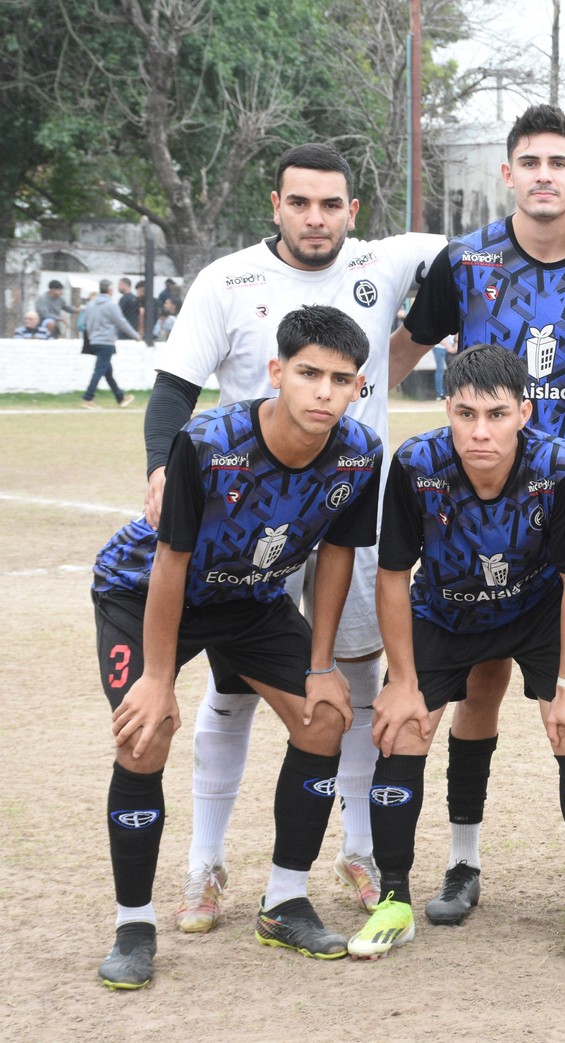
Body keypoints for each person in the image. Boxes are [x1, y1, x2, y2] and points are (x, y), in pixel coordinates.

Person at [141, 143, 447, 934]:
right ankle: (205, 865)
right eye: (300, 202)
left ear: (353, 210)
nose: (317, 217)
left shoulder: (388, 259)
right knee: (235, 688)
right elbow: (174, 389)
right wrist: (159, 467)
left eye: (331, 204)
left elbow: (486, 245)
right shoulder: (229, 280)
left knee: (348, 681)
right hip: (243, 529)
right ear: (275, 204)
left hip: (347, 511)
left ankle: (355, 847)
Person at [392, 103, 565, 916]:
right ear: (506, 175)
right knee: (476, 688)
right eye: (529, 161)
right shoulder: (464, 263)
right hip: (477, 512)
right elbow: (399, 352)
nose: (543, 174)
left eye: (558, 162)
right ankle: (464, 861)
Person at [91, 304, 383, 988]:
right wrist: (158, 678)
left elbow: (337, 556)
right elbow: (170, 561)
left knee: (326, 718)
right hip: (147, 592)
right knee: (144, 733)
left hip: (250, 599)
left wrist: (321, 665)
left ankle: (283, 900)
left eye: (340, 379)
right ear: (277, 372)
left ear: (358, 386)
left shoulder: (359, 451)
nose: (323, 391)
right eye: (308, 373)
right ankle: (133, 923)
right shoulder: (206, 442)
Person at [351, 345, 565, 961]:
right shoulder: (417, 464)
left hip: (537, 608)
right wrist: (403, 679)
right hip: (447, 610)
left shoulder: (562, 466)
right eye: (465, 414)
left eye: (496, 414)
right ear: (447, 410)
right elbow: (391, 576)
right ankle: (403, 894)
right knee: (405, 725)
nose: (480, 431)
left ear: (525, 411)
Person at [81, 279, 139, 410]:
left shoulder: (90, 304)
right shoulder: (111, 306)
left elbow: (86, 322)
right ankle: (88, 397)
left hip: (93, 341)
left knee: (107, 371)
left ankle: (120, 397)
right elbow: (121, 322)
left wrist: (92, 336)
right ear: (110, 290)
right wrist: (135, 335)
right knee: (100, 370)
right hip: (106, 342)